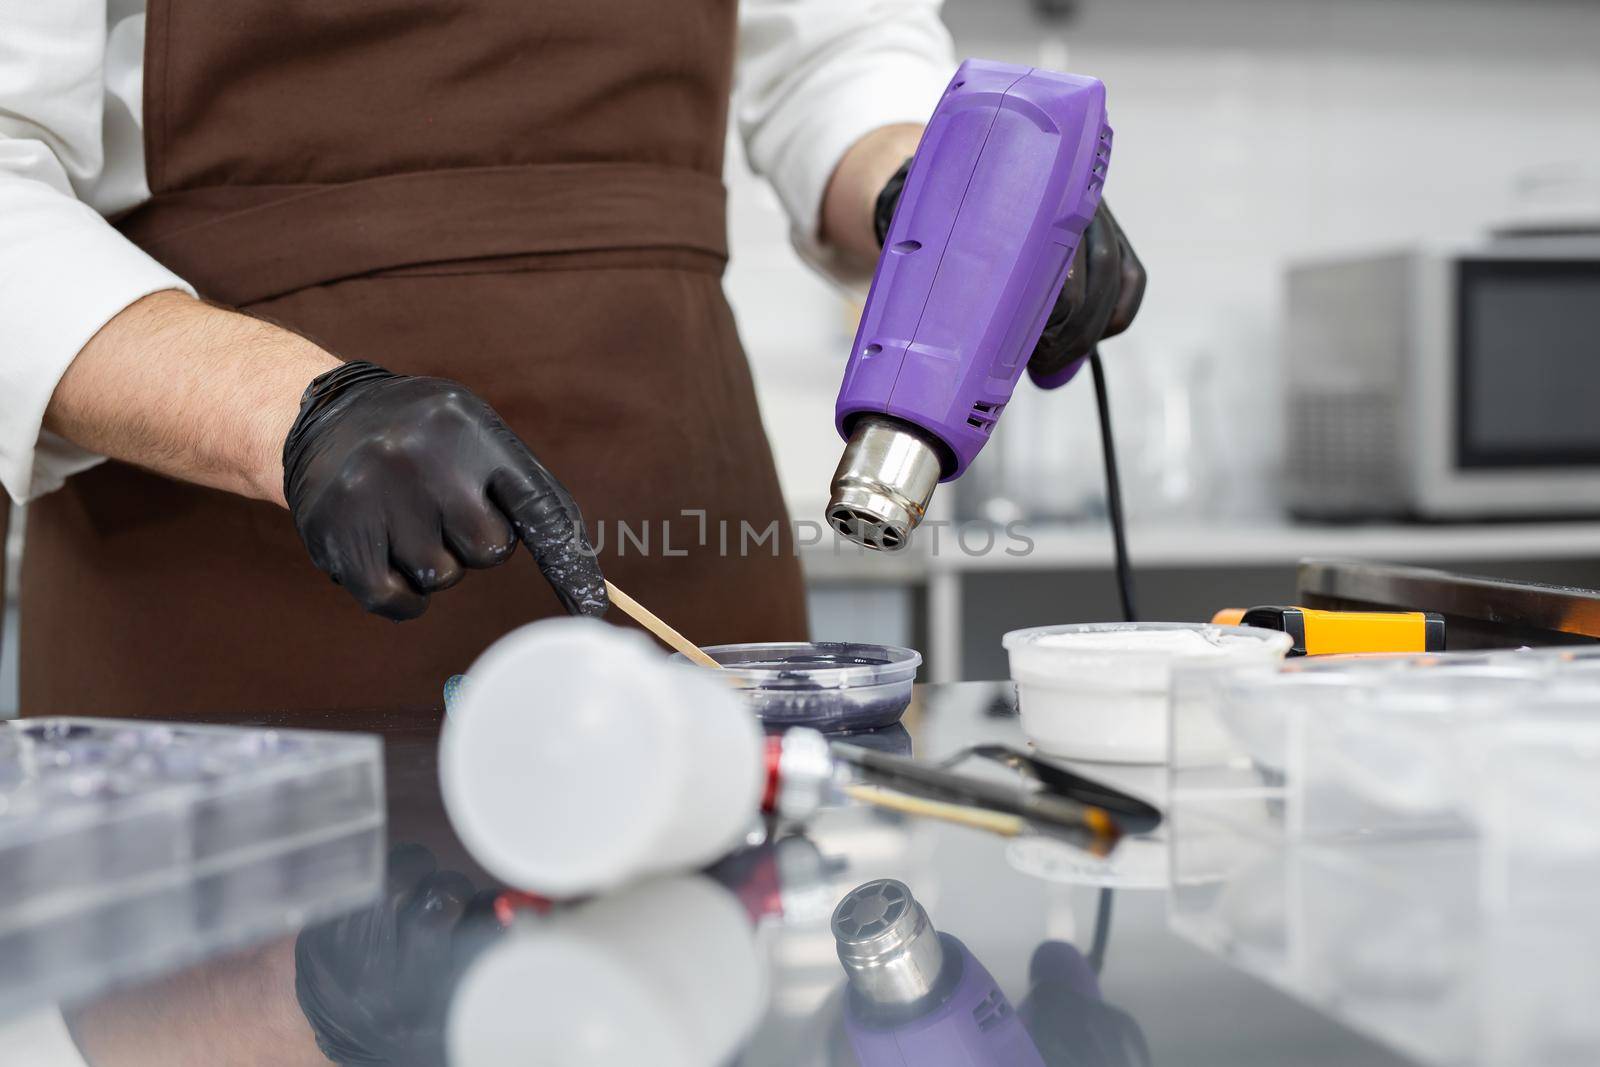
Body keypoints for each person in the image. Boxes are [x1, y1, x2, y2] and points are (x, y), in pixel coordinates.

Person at [1, 0, 1143, 719]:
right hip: (237, 601)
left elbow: (837, 55)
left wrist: (940, 197)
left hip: (686, 509)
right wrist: (296, 415)